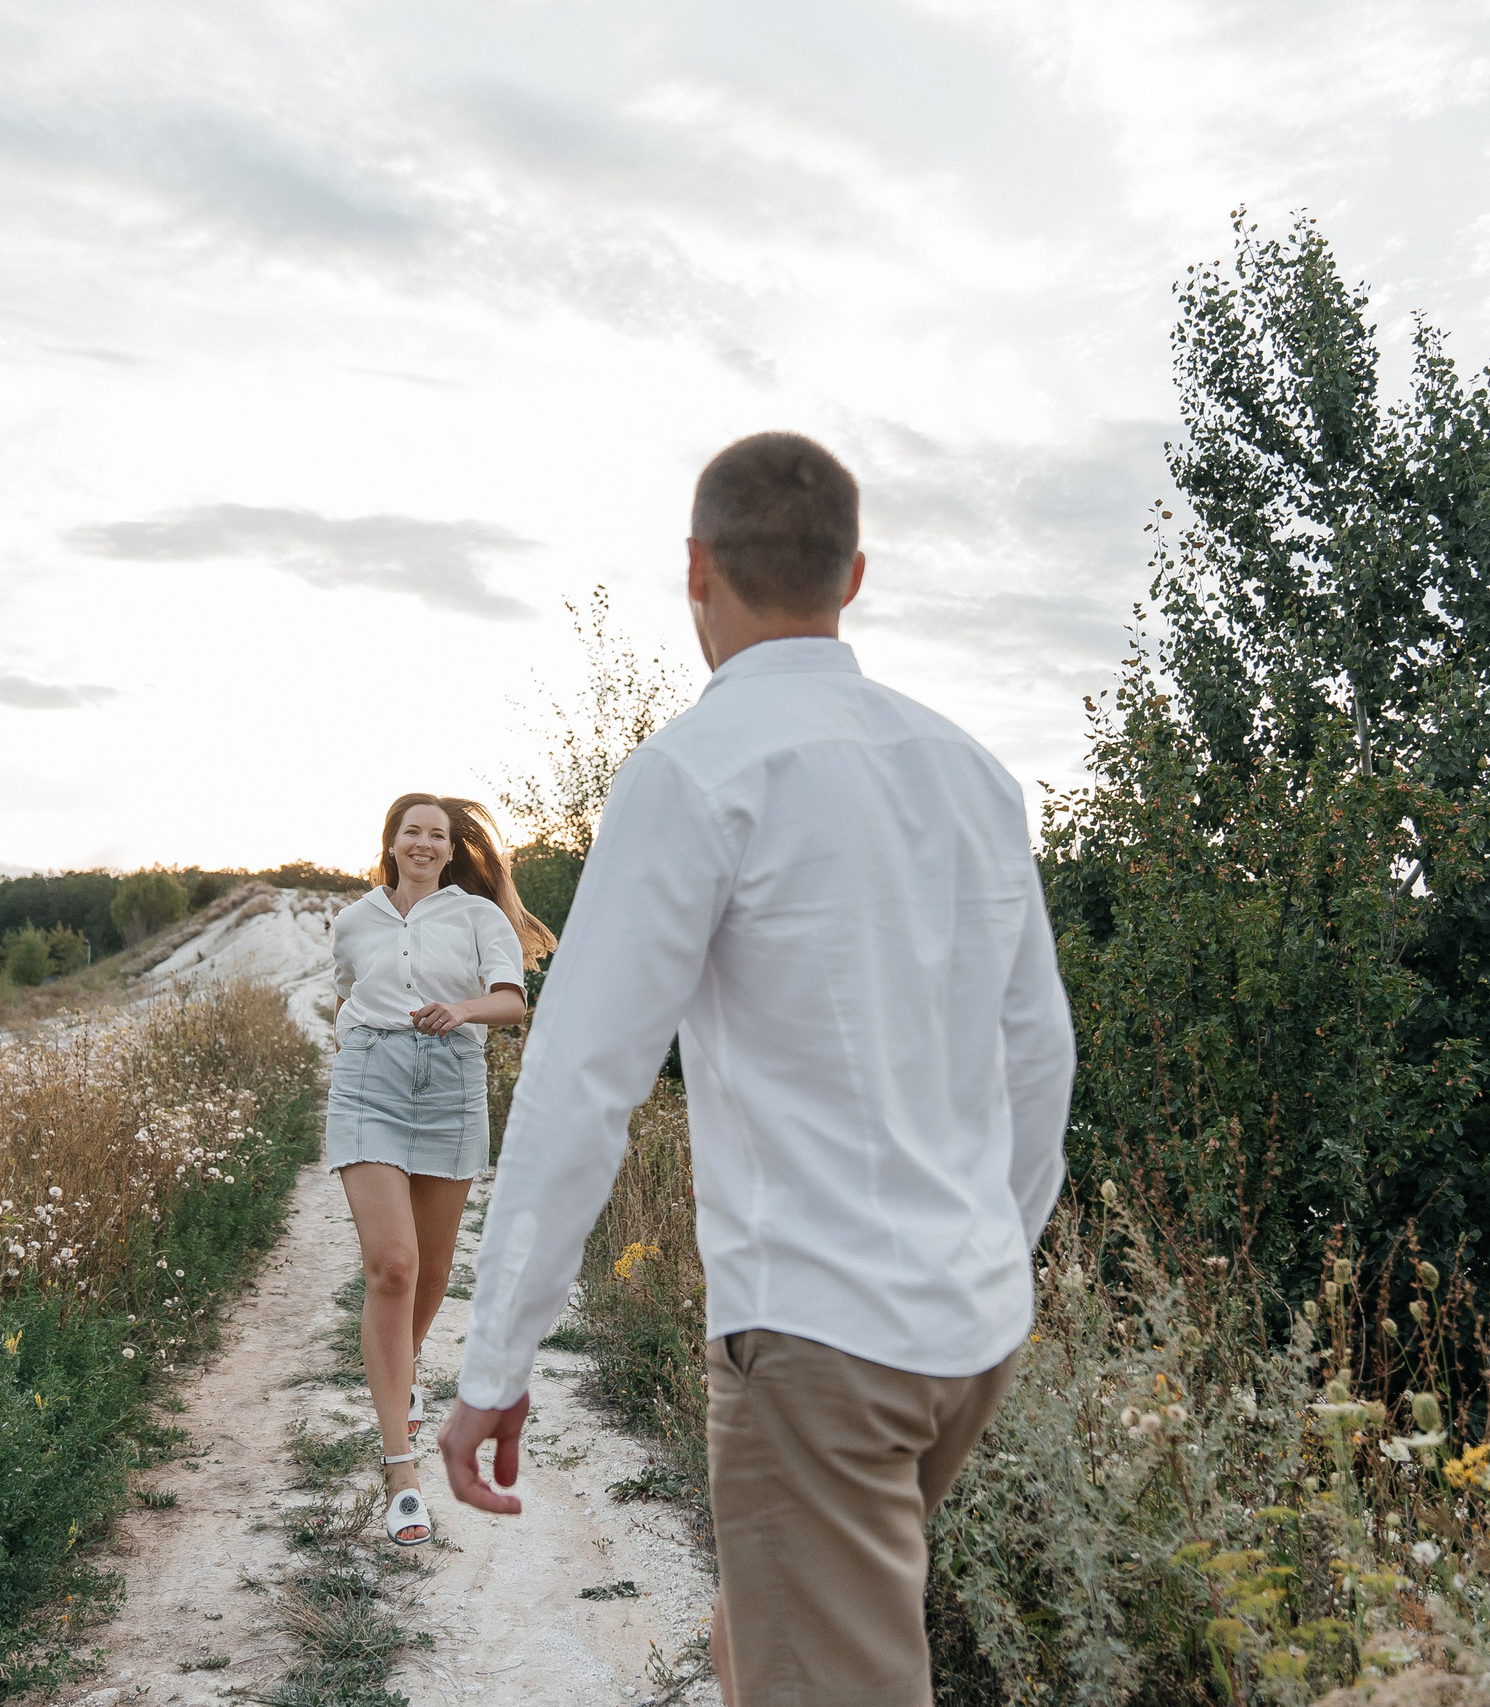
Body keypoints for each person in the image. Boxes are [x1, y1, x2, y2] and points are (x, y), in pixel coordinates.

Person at [436, 433, 1075, 1704]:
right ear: (852, 577)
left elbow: (579, 1082)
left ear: (694, 570)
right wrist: (990, 1250)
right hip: (969, 1327)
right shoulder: (971, 773)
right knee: (768, 1628)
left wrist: (495, 1365)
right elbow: (1037, 1054)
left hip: (823, 1338)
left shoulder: (695, 772)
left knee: (817, 1667)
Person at [328, 794, 555, 1546]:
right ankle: (402, 1471)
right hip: (370, 1079)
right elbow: (346, 990)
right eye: (410, 831)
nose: (423, 842)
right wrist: (365, 1041)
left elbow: (511, 1002)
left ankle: (403, 1366)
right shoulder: (355, 919)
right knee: (391, 1265)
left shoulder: (478, 917)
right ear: (390, 842)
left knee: (429, 1271)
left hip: (450, 1083)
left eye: (437, 833)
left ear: (451, 848)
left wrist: (459, 1009)